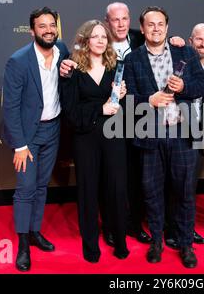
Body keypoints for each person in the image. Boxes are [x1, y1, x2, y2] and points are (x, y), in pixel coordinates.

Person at [59, 2, 185, 246]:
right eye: (115, 20)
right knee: (109, 179)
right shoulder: (83, 57)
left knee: (135, 179)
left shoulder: (142, 38)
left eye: (124, 19)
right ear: (107, 23)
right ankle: (109, 227)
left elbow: (161, 39)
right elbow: (73, 83)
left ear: (131, 21)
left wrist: (177, 40)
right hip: (108, 125)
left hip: (140, 122)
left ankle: (133, 225)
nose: (120, 24)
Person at [124, 6, 204, 268]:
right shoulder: (132, 59)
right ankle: (157, 242)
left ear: (167, 27)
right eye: (150, 24)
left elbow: (202, 86)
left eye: (160, 24)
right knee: (152, 192)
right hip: (150, 136)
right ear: (143, 27)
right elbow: (125, 100)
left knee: (184, 193)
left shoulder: (185, 52)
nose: (156, 28)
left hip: (182, 134)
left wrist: (183, 87)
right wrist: (148, 99)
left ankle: (185, 245)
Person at [2, 7, 69, 272]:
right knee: (26, 188)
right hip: (27, 136)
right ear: (32, 31)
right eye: (42, 26)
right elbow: (10, 107)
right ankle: (22, 244)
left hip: (53, 129)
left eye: (52, 24)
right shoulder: (18, 61)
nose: (48, 29)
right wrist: (20, 145)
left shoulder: (63, 50)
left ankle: (34, 232)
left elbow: (92, 49)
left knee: (42, 186)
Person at [59, 20, 129, 263]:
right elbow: (70, 111)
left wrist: (122, 96)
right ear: (85, 40)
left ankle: (120, 241)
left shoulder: (116, 67)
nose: (100, 40)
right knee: (88, 190)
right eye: (95, 36)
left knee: (117, 188)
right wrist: (101, 108)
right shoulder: (72, 70)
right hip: (85, 137)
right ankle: (90, 245)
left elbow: (124, 107)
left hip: (114, 135)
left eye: (103, 37)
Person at [164, 23, 204, 249]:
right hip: (177, 131)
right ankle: (170, 229)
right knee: (173, 185)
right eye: (199, 39)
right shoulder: (177, 64)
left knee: (189, 187)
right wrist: (172, 39)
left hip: (201, 136)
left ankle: (186, 229)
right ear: (190, 41)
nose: (203, 44)